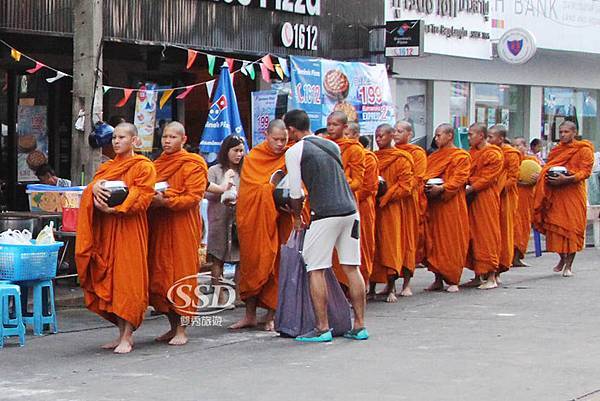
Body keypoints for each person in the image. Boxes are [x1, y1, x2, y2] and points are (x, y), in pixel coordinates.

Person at [284, 109, 367, 342]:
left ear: (291, 129)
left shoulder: (295, 150)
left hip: (325, 214)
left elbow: (294, 193)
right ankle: (359, 326)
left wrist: (297, 217)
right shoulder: (333, 146)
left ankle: (322, 328)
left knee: (316, 268)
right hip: (351, 211)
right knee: (352, 267)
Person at [75, 123, 156, 354]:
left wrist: (117, 208)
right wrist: (95, 187)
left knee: (127, 280)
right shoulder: (107, 168)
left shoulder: (143, 166)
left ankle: (128, 336)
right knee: (111, 278)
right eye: (114, 138)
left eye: (122, 137)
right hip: (109, 231)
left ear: (134, 141)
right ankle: (120, 333)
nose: (116, 142)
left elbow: (143, 195)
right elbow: (92, 189)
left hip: (130, 228)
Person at [147, 121, 208, 346]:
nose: (167, 141)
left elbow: (194, 196)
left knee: (182, 273)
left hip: (183, 225)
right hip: (161, 226)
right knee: (161, 275)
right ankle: (172, 326)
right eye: (165, 137)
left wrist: (167, 200)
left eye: (172, 137)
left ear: (183, 140)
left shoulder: (193, 163)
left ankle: (182, 329)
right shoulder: (157, 164)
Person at [231, 120, 292, 331]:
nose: (280, 144)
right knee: (251, 265)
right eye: (276, 139)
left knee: (276, 266)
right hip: (253, 222)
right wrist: (268, 189)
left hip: (279, 221)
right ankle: (249, 315)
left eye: (283, 139)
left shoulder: (289, 156)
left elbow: (295, 185)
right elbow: (249, 191)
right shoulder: (253, 158)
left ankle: (271, 315)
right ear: (266, 135)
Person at [533, 121, 595, 276]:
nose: (562, 135)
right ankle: (561, 257)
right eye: (560, 132)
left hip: (573, 193)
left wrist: (568, 179)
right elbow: (549, 166)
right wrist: (541, 175)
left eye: (566, 132)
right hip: (557, 194)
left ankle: (569, 265)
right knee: (554, 227)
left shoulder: (583, 150)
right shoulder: (557, 150)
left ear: (574, 133)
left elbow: (585, 172)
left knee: (572, 228)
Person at [370, 124, 417, 301]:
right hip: (374, 207)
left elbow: (406, 185)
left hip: (392, 209)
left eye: (382, 135)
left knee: (390, 245)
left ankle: (391, 287)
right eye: (376, 136)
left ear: (391, 136)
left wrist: (387, 195)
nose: (379, 139)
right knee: (374, 246)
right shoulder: (373, 157)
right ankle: (372, 287)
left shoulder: (402, 158)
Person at [424, 124, 471, 293]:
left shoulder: (461, 156)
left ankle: (453, 279)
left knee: (452, 240)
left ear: (450, 136)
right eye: (435, 136)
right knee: (434, 241)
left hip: (452, 205)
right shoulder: (434, 157)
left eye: (439, 135)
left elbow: (460, 178)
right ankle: (437, 278)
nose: (436, 139)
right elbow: (425, 175)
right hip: (435, 205)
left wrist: (442, 188)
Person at [325, 111, 365, 287]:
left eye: (335, 124)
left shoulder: (354, 150)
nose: (331, 128)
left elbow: (358, 182)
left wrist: (338, 180)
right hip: (325, 206)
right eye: (329, 124)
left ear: (345, 127)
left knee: (348, 259)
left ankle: (348, 291)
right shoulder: (323, 145)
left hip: (345, 205)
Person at [464, 123, 504, 290]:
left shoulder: (493, 154)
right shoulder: (470, 153)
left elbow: (488, 178)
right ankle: (477, 274)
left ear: (481, 136)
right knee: (472, 235)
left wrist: (470, 187)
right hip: (470, 198)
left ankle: (492, 276)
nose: (469, 138)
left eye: (471, 134)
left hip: (485, 198)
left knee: (487, 235)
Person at [206, 135, 244, 306]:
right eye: (235, 150)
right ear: (226, 151)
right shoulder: (214, 170)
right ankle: (219, 296)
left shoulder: (245, 170)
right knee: (217, 258)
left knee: (240, 259)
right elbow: (205, 192)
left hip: (239, 219)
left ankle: (238, 294)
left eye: (241, 151)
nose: (239, 154)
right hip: (219, 218)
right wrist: (223, 188)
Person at [488, 125, 521, 277]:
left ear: (500, 139)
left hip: (505, 197)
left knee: (503, 230)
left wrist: (497, 189)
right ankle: (485, 269)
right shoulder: (487, 152)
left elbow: (513, 178)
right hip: (488, 197)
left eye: (491, 137)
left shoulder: (511, 154)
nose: (488, 140)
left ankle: (499, 267)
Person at [394, 120, 427, 265]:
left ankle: (408, 268)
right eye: (394, 131)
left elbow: (417, 177)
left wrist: (400, 190)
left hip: (410, 199)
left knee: (409, 236)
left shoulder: (417, 153)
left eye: (400, 131)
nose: (395, 134)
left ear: (410, 134)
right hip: (394, 201)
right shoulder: (389, 153)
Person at [352, 130, 379, 286]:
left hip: (362, 207)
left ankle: (363, 283)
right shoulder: (336, 152)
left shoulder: (368, 158)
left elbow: (369, 186)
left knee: (363, 244)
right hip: (343, 206)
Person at [513, 136, 541, 267]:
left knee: (522, 227)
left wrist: (538, 178)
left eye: (519, 145)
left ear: (525, 147)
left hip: (526, 199)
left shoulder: (532, 161)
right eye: (514, 145)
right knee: (512, 227)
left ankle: (517, 257)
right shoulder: (510, 160)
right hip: (513, 197)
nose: (517, 148)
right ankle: (509, 257)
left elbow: (540, 176)